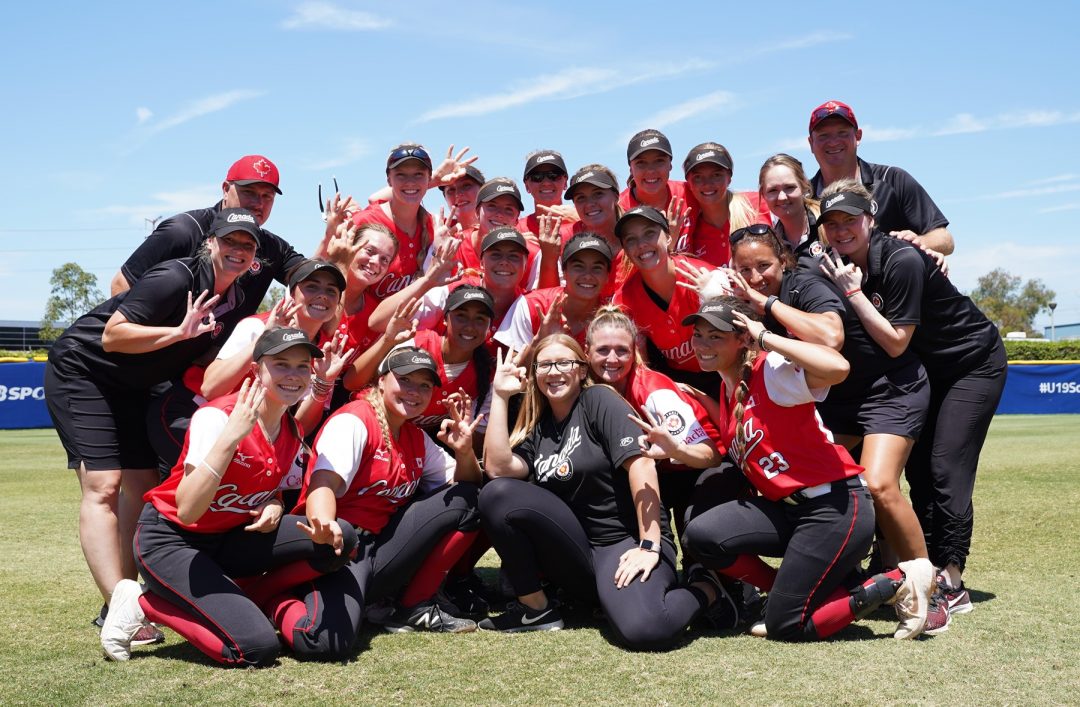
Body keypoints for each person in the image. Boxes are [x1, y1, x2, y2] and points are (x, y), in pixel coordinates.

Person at [45, 208, 266, 644]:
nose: (237, 251)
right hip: (84, 371)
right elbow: (113, 335)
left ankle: (130, 596)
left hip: (133, 383)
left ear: (255, 256)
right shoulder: (175, 278)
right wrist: (177, 334)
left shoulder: (235, 299)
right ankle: (118, 608)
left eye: (247, 245)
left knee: (143, 486)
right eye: (230, 241)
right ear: (211, 243)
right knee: (103, 485)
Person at [713, 222, 942, 631]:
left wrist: (763, 314)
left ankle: (927, 583)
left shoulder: (801, 284)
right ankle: (832, 579)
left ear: (782, 260)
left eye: (763, 265)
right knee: (807, 468)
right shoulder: (747, 303)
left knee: (878, 485)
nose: (754, 277)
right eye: (743, 270)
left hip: (884, 387)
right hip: (834, 394)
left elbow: (832, 340)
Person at [678, 298, 936, 641]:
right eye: (698, 335)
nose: (702, 344)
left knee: (786, 626)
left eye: (715, 336)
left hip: (835, 509)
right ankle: (785, 593)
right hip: (790, 512)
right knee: (701, 535)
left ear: (742, 339)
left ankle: (898, 581)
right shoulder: (728, 389)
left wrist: (765, 336)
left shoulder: (770, 371)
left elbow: (837, 367)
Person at [100, 328, 358, 665]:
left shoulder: (290, 429)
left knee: (340, 538)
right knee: (257, 648)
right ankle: (142, 603)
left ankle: (253, 597)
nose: (293, 375)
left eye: (301, 366)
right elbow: (189, 510)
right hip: (172, 540)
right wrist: (230, 438)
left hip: (230, 539)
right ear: (256, 370)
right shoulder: (216, 417)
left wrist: (275, 505)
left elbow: (271, 487)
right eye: (281, 364)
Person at [817, 179, 1007, 619]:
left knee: (945, 466)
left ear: (871, 219)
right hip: (924, 373)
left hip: (970, 365)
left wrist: (853, 294)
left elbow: (897, 343)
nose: (842, 229)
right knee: (916, 470)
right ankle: (905, 569)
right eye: (832, 222)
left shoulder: (900, 258)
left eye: (851, 219)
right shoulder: (839, 259)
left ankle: (951, 578)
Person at [478, 336, 727, 649]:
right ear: (534, 374)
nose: (554, 371)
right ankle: (535, 610)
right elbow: (498, 469)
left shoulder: (598, 400)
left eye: (564, 363)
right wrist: (499, 397)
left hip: (624, 543)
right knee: (497, 493)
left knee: (648, 629)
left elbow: (642, 466)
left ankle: (707, 587)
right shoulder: (539, 427)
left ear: (582, 370)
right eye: (545, 365)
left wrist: (649, 545)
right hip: (578, 552)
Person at [275, 347, 484, 657]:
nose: (415, 391)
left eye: (424, 385)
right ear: (381, 381)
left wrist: (465, 451)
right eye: (405, 380)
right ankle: (275, 603)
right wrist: (325, 527)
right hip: (339, 547)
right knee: (324, 642)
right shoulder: (355, 420)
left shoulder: (414, 435)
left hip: (380, 547)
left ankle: (412, 607)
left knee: (472, 498)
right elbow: (323, 484)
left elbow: (466, 485)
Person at [583, 306, 727, 552]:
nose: (612, 359)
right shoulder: (585, 386)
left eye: (622, 351)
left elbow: (711, 455)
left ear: (634, 352)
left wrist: (677, 449)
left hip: (701, 470)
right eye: (603, 350)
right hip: (661, 469)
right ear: (586, 352)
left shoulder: (653, 392)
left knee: (699, 546)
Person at [200, 259, 352, 452]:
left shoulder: (325, 351)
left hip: (258, 439)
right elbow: (210, 389)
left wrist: (324, 381)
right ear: (291, 294)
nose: (323, 296)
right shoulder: (257, 326)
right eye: (312, 287)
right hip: (209, 421)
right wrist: (264, 339)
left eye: (331, 290)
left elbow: (300, 426)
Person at [110, 155, 308, 302]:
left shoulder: (272, 247)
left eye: (267, 196)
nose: (258, 203)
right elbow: (121, 284)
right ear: (225, 189)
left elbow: (315, 280)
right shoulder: (184, 231)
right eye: (249, 192)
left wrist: (332, 235)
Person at [807, 100, 953, 254]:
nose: (833, 142)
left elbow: (945, 239)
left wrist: (919, 242)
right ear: (811, 143)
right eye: (824, 136)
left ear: (858, 136)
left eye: (842, 133)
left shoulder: (892, 179)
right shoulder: (804, 197)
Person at [611, 205, 726, 394]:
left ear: (669, 237)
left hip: (722, 373)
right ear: (625, 250)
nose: (641, 245)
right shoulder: (624, 299)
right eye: (631, 240)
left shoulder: (704, 277)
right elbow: (642, 368)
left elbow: (739, 343)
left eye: (650, 234)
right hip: (676, 380)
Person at [495, 233, 614, 359]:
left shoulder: (611, 317)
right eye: (578, 267)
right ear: (564, 271)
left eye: (597, 268)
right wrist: (540, 340)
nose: (588, 276)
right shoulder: (532, 305)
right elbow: (510, 370)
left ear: (607, 276)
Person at [351, 143, 438, 300]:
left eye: (418, 174)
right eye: (401, 175)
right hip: (360, 322)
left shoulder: (434, 227)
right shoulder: (364, 221)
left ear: (429, 179)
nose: (410, 182)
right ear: (389, 180)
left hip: (413, 324)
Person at [678, 143, 771, 266]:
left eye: (716, 175)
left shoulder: (757, 204)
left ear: (729, 177)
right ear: (688, 183)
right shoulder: (690, 232)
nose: (707, 184)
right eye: (698, 177)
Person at [518, 149, 576, 246]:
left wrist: (582, 219)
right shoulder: (516, 230)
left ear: (565, 182)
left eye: (554, 175)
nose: (546, 183)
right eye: (536, 177)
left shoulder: (584, 222)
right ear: (526, 186)